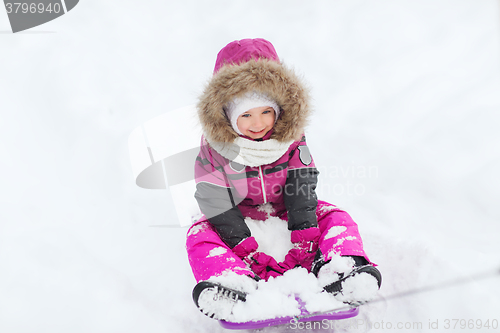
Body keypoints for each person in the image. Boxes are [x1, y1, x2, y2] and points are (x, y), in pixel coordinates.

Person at [186, 38, 381, 320]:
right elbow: (214, 199)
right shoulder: (215, 148)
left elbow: (301, 185)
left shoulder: (290, 138)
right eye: (247, 115)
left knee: (336, 217)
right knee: (198, 233)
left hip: (286, 212)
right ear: (228, 115)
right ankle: (230, 283)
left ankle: (342, 270)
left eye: (267, 112)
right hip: (238, 219)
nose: (258, 123)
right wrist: (244, 247)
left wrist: (304, 237)